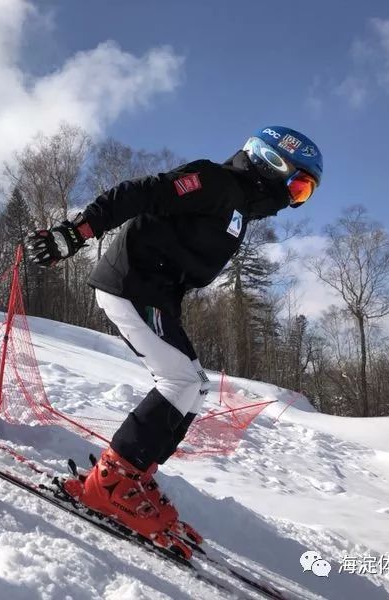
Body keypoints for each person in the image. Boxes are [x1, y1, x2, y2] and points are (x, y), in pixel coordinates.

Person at [26, 126, 322, 557]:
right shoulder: (216, 182)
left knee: (194, 387)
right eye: (296, 186)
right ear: (269, 163)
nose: (293, 199)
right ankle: (110, 484)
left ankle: (135, 476)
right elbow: (140, 192)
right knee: (180, 380)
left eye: (304, 194)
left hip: (158, 293)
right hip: (130, 282)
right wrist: (75, 232)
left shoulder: (239, 208)